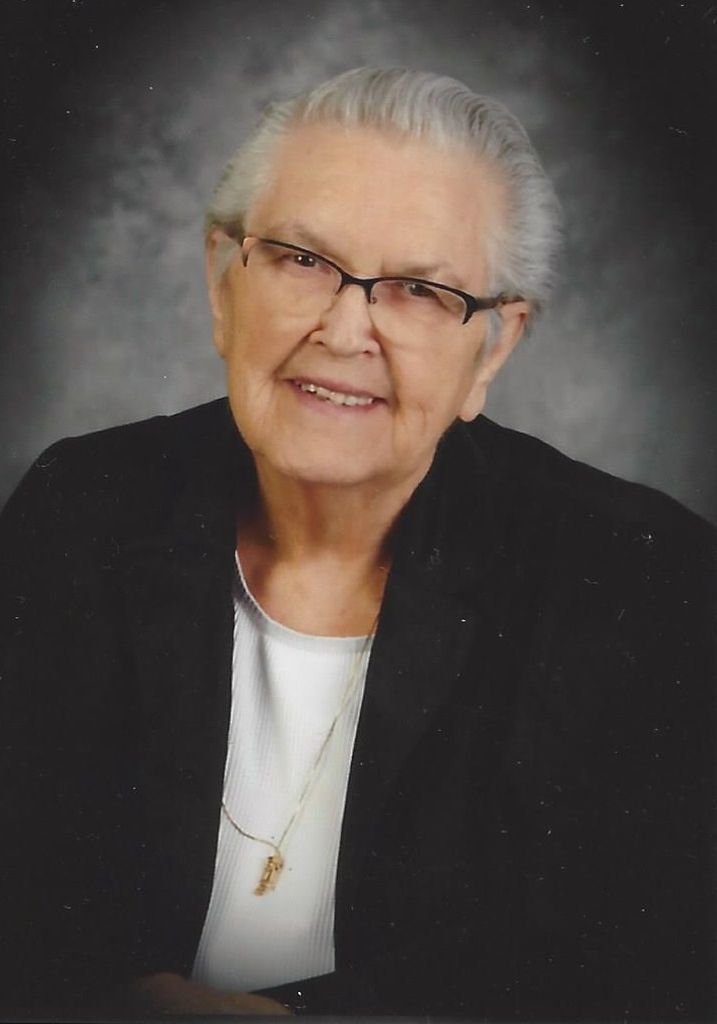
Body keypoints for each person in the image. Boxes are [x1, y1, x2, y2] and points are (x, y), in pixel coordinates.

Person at [0, 67, 714, 1020]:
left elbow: (635, 980)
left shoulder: (640, 581)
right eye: (302, 259)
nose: (344, 330)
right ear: (222, 282)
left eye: (418, 289)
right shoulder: (81, 510)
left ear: (494, 347)